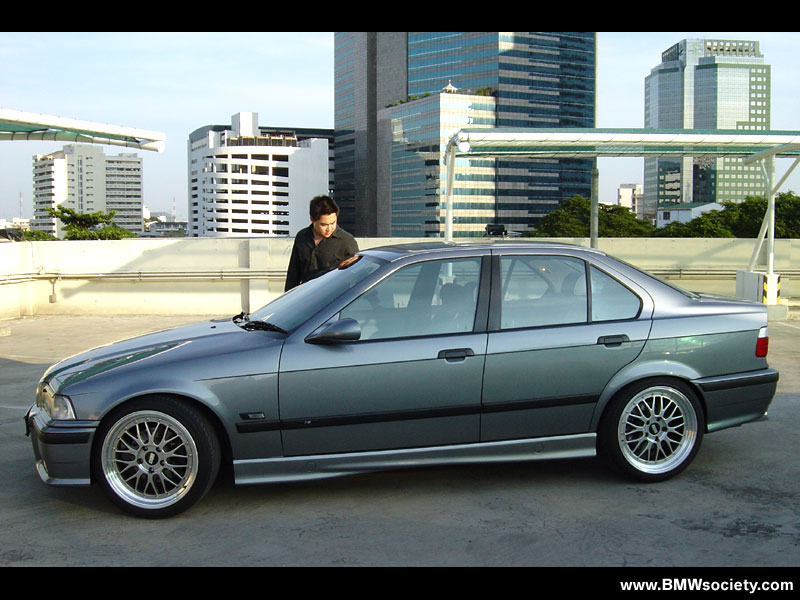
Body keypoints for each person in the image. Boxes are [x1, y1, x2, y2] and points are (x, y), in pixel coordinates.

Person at [284, 195, 359, 291]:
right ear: (312, 220)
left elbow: (357, 275)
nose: (329, 228)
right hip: (306, 296)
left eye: (333, 223)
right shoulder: (302, 237)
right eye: (324, 225)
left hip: (334, 297)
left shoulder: (346, 241)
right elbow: (293, 274)